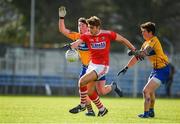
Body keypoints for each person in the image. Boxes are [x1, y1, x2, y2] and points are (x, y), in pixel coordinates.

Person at [58, 6, 122, 116]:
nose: (80, 27)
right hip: (87, 67)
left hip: (98, 67)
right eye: (79, 25)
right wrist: (61, 17)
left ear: (88, 27)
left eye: (82, 25)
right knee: (83, 88)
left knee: (101, 91)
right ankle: (90, 110)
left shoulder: (92, 36)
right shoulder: (77, 37)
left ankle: (113, 87)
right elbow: (63, 30)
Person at [69, 16, 137, 116]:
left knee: (81, 82)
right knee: (92, 91)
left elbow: (122, 39)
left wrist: (134, 50)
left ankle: (82, 105)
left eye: (91, 28)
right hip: (92, 65)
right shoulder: (87, 35)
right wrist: (70, 46)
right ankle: (102, 109)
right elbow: (77, 43)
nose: (89, 30)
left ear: (97, 27)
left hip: (102, 66)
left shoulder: (107, 34)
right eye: (89, 27)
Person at [119, 22, 170, 118]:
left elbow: (144, 53)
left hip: (163, 70)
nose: (142, 33)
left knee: (146, 91)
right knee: (150, 92)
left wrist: (134, 52)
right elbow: (137, 57)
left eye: (144, 31)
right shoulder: (145, 43)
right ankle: (151, 111)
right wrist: (126, 67)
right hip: (155, 70)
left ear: (150, 32)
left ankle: (146, 114)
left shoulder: (154, 41)